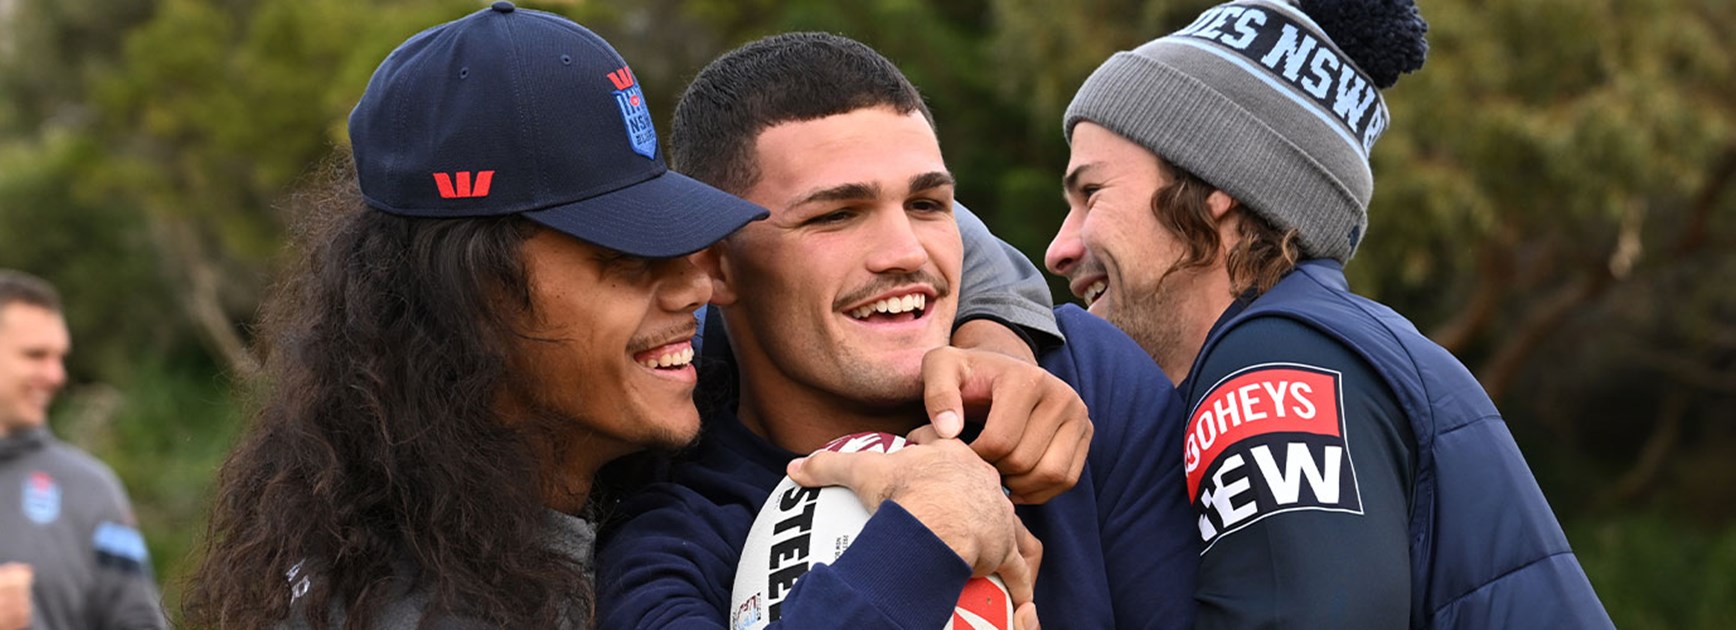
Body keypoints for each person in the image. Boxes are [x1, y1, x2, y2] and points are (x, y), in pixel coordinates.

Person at [183, 4, 1069, 628]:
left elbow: (924, 237)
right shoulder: (412, 605)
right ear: (474, 301)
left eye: (677, 235)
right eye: (624, 260)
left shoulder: (576, 434)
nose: (692, 287)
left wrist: (997, 342)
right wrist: (923, 538)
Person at [595, 32, 1198, 629]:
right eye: (836, 215)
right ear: (716, 266)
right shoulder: (665, 542)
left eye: (927, 204)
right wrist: (926, 536)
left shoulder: (1084, 381)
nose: (906, 252)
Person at [1045, 0, 1613, 626]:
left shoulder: (1270, 365)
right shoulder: (1318, 344)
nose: (1058, 249)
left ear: (1212, 191)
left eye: (1092, 192)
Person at [0, 269, 167, 630]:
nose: (56, 375)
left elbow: (140, 620)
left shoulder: (90, 489)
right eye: (35, 355)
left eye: (59, 357)